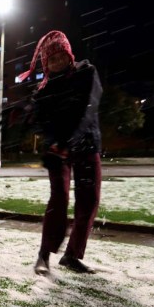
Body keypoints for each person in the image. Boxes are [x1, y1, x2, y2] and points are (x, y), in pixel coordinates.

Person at [17, 30, 103, 275]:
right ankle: (44, 255)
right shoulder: (44, 92)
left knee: (88, 200)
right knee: (59, 199)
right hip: (58, 150)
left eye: (60, 56)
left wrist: (70, 137)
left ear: (69, 54)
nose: (56, 62)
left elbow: (88, 106)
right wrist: (26, 114)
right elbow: (42, 124)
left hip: (85, 145)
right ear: (45, 63)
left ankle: (73, 255)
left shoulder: (87, 73)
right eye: (50, 59)